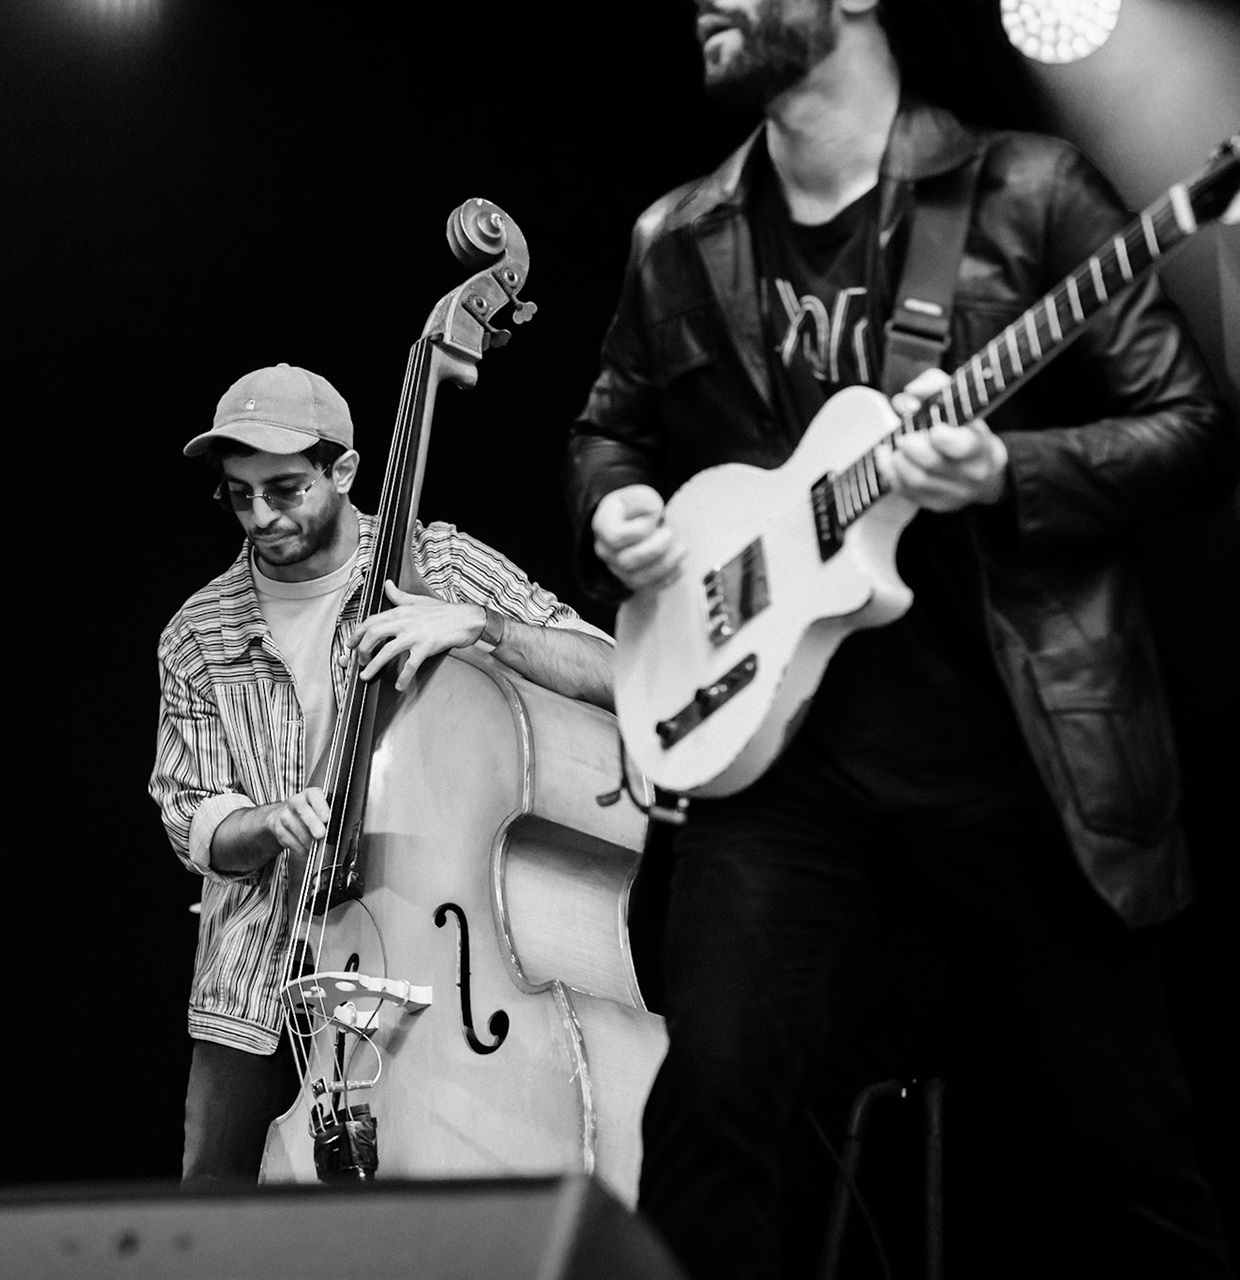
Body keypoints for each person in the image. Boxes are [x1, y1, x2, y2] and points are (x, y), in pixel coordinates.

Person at [563, 0, 1236, 1276]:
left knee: (1126, 1143)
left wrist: (1008, 470)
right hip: (774, 755)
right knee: (707, 1121)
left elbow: (1194, 427)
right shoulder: (677, 234)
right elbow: (607, 426)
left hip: (1019, 751)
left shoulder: (1028, 190)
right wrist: (613, 503)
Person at [150, 362, 619, 1184]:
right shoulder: (197, 632)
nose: (260, 516)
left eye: (286, 489)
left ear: (345, 472)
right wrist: (266, 823)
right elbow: (192, 817)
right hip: (259, 984)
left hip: (422, 963)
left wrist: (485, 626)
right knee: (209, 1236)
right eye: (238, 493)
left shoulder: (437, 565)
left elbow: (617, 672)